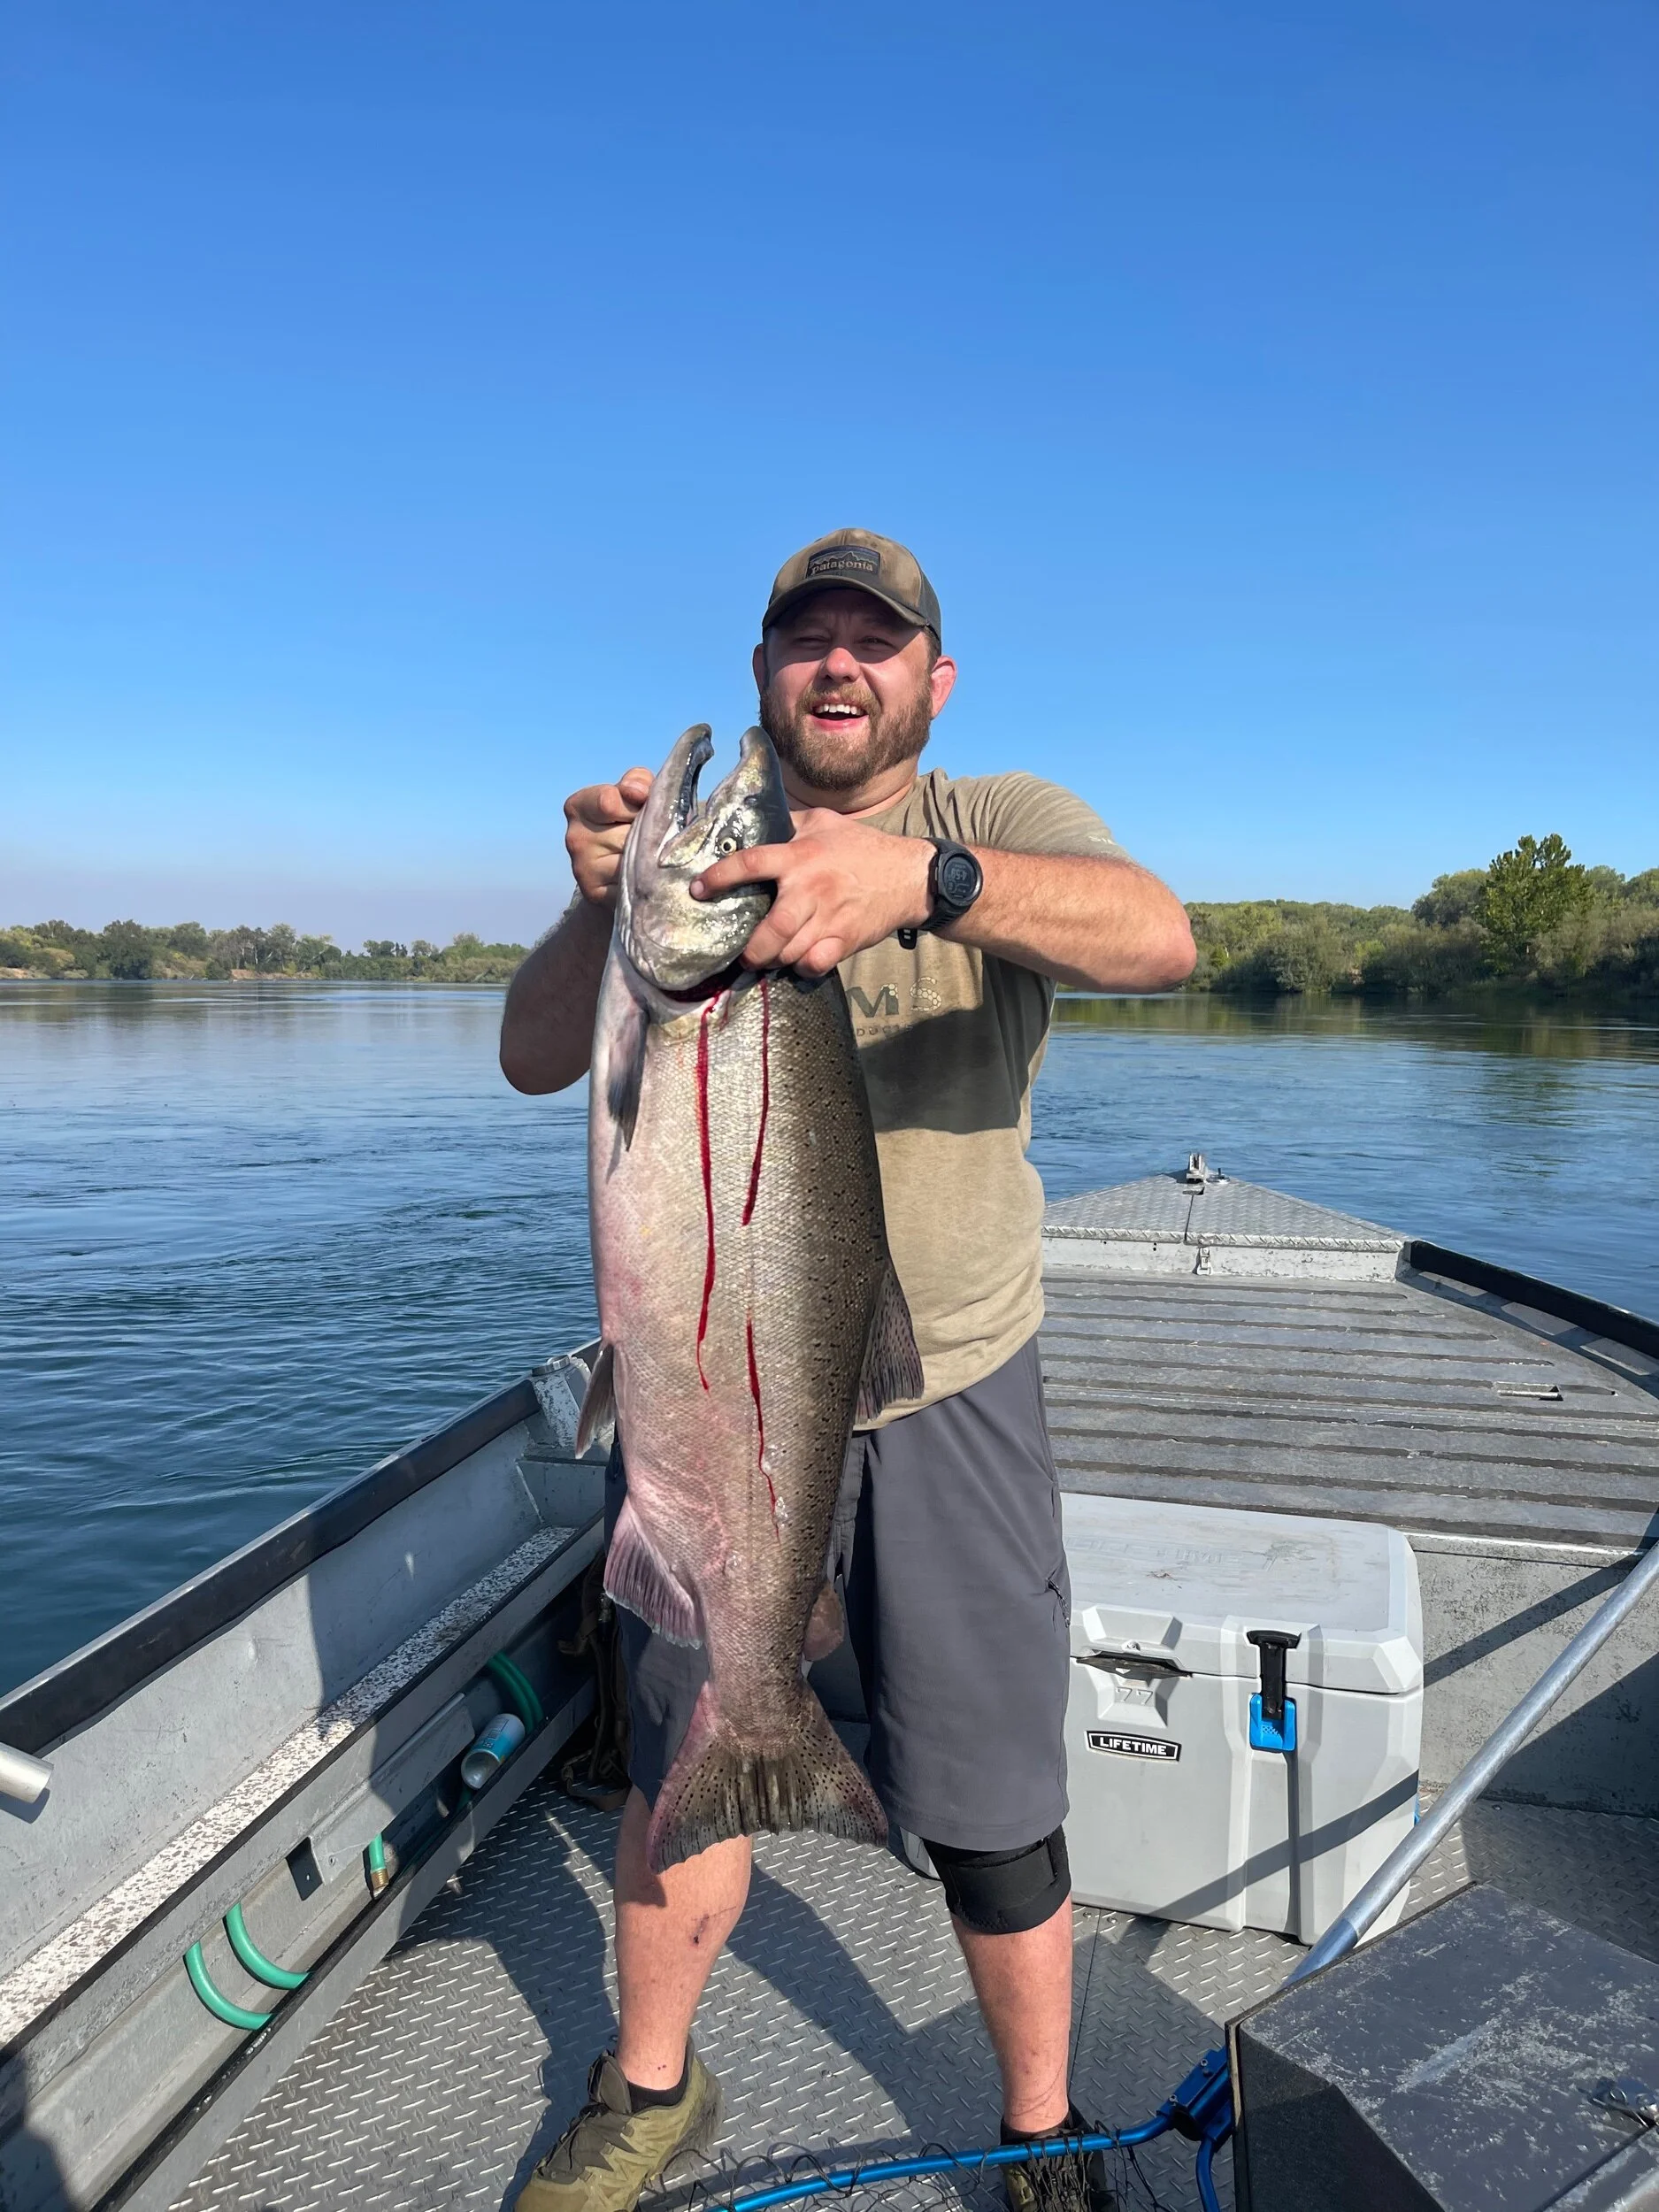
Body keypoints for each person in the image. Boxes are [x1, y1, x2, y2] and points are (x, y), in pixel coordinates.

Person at [499, 530, 1196, 2212]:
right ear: (762, 672)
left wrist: (923, 883)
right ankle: (649, 2089)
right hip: (703, 1401)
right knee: (678, 1757)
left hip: (950, 1382)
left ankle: (1038, 2133)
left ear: (929, 680)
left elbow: (1158, 940)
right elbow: (533, 1059)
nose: (836, 664)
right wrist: (598, 902)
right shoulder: (693, 881)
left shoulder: (996, 818)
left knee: (992, 1795)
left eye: (871, 642)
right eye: (804, 638)